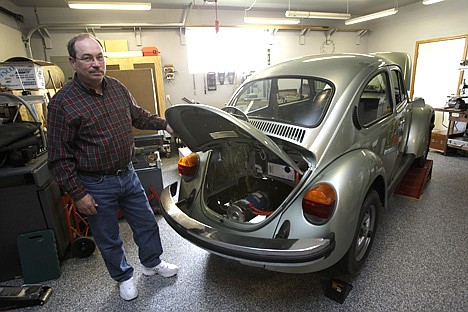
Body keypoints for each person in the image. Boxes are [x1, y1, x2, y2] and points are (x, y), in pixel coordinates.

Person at [47, 33, 178, 301]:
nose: (96, 64)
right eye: (87, 58)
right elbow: (59, 157)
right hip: (94, 183)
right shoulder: (62, 103)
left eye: (99, 57)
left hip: (127, 175)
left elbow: (137, 115)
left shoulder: (117, 87)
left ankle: (152, 263)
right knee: (108, 237)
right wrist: (78, 194)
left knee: (146, 224)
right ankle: (124, 277)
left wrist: (164, 123)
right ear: (73, 62)